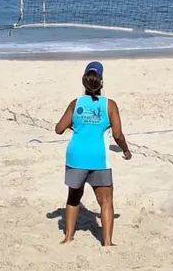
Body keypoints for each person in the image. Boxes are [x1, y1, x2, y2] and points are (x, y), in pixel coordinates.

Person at [55, 61, 132, 246]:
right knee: (106, 201)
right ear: (101, 81)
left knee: (73, 198)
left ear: (84, 82)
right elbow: (118, 134)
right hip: (99, 158)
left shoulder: (76, 103)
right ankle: (107, 242)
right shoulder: (110, 105)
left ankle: (68, 237)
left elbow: (58, 129)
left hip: (76, 156)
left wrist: (74, 124)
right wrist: (126, 150)